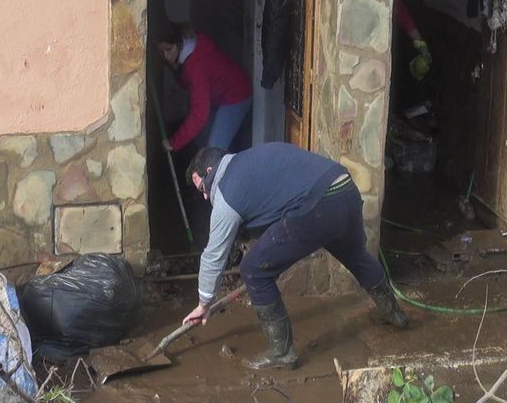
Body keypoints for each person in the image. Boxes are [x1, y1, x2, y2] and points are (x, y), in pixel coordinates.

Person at [181, 143, 409, 370]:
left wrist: (204, 303)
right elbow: (274, 209)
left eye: (202, 188)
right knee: (355, 254)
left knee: (253, 270)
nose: (205, 196)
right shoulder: (251, 160)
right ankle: (393, 313)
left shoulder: (227, 194)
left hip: (317, 206)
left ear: (210, 171)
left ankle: (282, 353)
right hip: (345, 189)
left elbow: (213, 255)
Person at [157, 23, 252, 152]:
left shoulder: (195, 67)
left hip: (236, 95)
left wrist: (174, 143)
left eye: (169, 49)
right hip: (221, 97)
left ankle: (225, 164)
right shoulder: (193, 47)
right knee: (203, 139)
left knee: (214, 150)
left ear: (179, 43)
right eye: (161, 52)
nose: (166, 56)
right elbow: (186, 84)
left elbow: (199, 115)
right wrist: (175, 68)